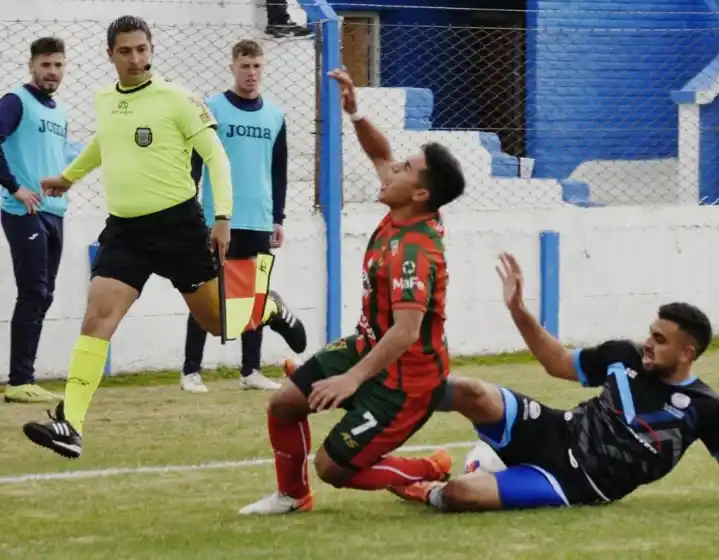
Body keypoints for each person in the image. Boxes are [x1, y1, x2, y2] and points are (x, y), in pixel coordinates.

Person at [20, 15, 292, 459]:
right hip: (126, 231)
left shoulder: (177, 98)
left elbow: (217, 158)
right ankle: (71, 424)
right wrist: (70, 177)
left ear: (152, 50)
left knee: (217, 322)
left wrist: (222, 216)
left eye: (142, 50)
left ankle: (269, 304)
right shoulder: (106, 99)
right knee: (96, 319)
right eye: (125, 51)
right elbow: (104, 142)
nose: (135, 59)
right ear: (110, 55)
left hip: (179, 228)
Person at [389, 253, 719, 514]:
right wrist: (518, 310)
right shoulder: (623, 356)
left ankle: (427, 485)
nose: (648, 343)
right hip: (552, 430)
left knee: (460, 494)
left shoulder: (706, 407)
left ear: (686, 352)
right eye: (650, 333)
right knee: (470, 391)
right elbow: (555, 362)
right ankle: (387, 394)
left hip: (573, 484)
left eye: (660, 340)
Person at [238, 68, 466, 515]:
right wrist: (356, 113)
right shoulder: (405, 204)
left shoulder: (415, 251)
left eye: (405, 167)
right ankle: (291, 496)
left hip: (406, 381)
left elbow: (404, 332)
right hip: (367, 345)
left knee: (334, 469)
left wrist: (351, 378)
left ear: (420, 193)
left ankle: (424, 469)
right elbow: (380, 154)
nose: (392, 166)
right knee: (284, 403)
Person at [181, 39, 307, 395]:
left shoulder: (275, 116)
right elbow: (194, 162)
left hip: (259, 220)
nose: (251, 73)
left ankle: (250, 370)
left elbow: (279, 171)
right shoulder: (213, 109)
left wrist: (278, 217)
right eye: (245, 66)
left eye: (257, 66)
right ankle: (191, 370)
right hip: (217, 219)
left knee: (254, 296)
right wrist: (192, 211)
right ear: (232, 67)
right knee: (207, 294)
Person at [1, 37, 69, 404]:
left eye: (58, 65)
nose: (52, 72)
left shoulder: (59, 112)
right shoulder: (15, 101)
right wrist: (14, 187)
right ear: (32, 66)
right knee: (32, 291)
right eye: (45, 65)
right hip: (22, 211)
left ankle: (25, 377)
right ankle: (19, 381)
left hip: (53, 213)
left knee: (45, 294)